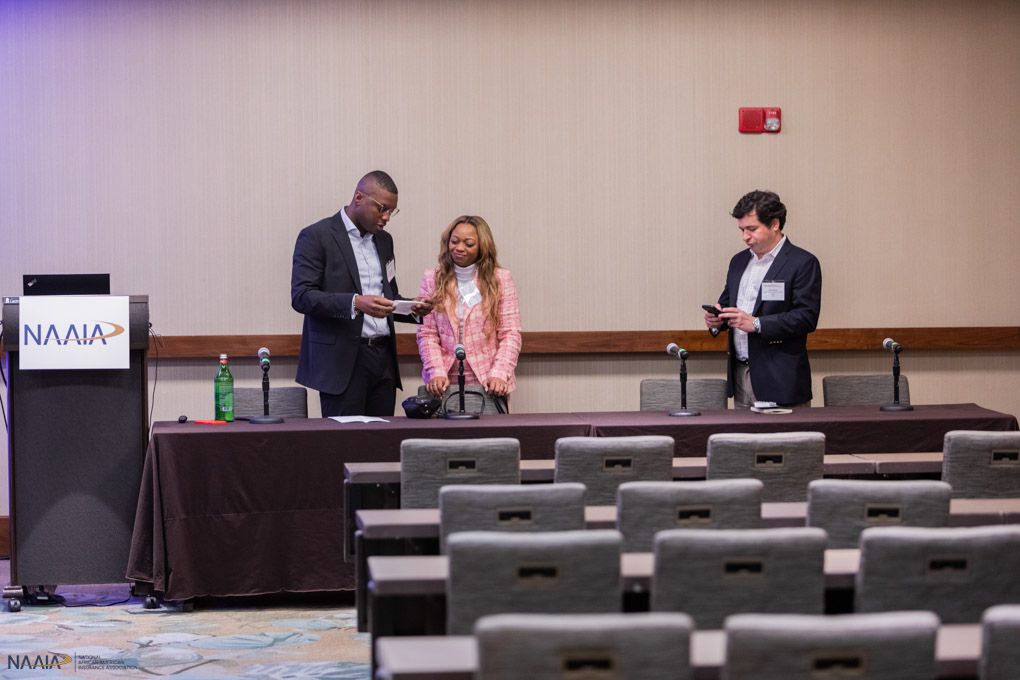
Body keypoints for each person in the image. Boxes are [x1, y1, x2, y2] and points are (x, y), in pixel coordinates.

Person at [291, 171, 432, 417]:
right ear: (358, 198)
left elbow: (388, 295)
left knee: (382, 438)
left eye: (392, 211)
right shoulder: (317, 236)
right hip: (343, 362)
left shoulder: (384, 241)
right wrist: (355, 302)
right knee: (345, 438)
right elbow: (302, 296)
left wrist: (413, 308)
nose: (386, 217)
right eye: (382, 209)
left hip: (383, 359)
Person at [705, 190, 821, 408]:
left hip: (780, 378)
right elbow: (728, 304)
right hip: (740, 374)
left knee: (783, 433)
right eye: (741, 230)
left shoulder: (802, 262)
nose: (745, 237)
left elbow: (806, 317)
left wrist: (757, 323)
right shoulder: (738, 261)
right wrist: (717, 320)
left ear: (774, 224)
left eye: (752, 229)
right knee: (741, 432)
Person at [416, 215, 522, 414]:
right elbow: (427, 333)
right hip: (443, 382)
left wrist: (500, 373)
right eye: (454, 241)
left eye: (469, 243)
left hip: (489, 380)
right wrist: (435, 371)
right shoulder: (432, 278)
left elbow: (510, 333)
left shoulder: (501, 279)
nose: (459, 248)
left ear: (482, 246)